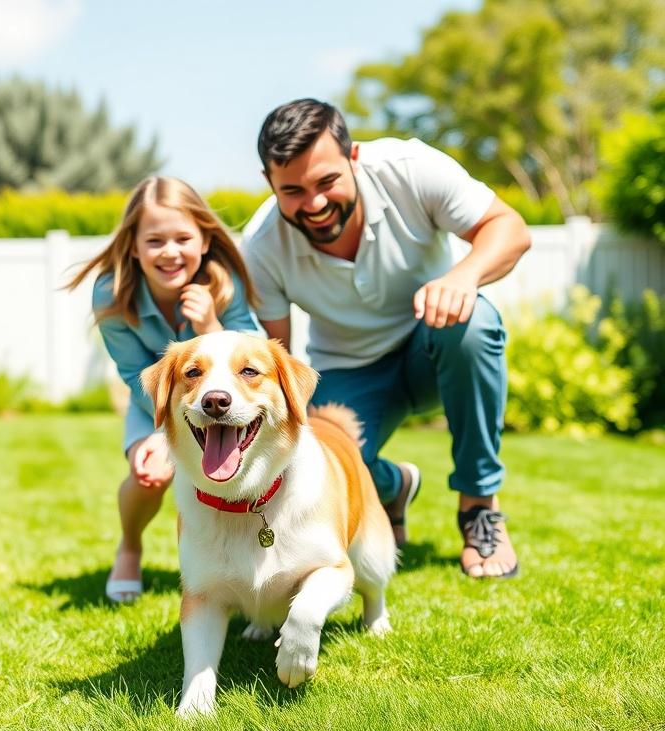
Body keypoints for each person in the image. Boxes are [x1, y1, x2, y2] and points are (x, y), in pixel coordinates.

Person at [242, 99, 531, 578]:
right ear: (268, 182)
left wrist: (464, 276)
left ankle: (479, 508)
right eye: (292, 190)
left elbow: (511, 228)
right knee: (316, 458)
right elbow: (278, 359)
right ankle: (392, 486)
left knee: (475, 320)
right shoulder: (261, 246)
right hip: (348, 372)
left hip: (436, 348)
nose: (313, 204)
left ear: (354, 156)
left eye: (326, 182)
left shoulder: (411, 169)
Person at [67, 176, 259, 602]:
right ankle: (130, 547)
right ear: (133, 246)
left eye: (182, 238)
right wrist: (162, 435)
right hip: (152, 402)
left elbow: (255, 353)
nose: (170, 252)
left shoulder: (225, 284)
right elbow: (135, 372)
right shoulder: (113, 295)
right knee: (149, 474)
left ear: (205, 240)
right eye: (154, 241)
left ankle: (243, 566)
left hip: (223, 403)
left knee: (235, 470)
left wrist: (210, 326)